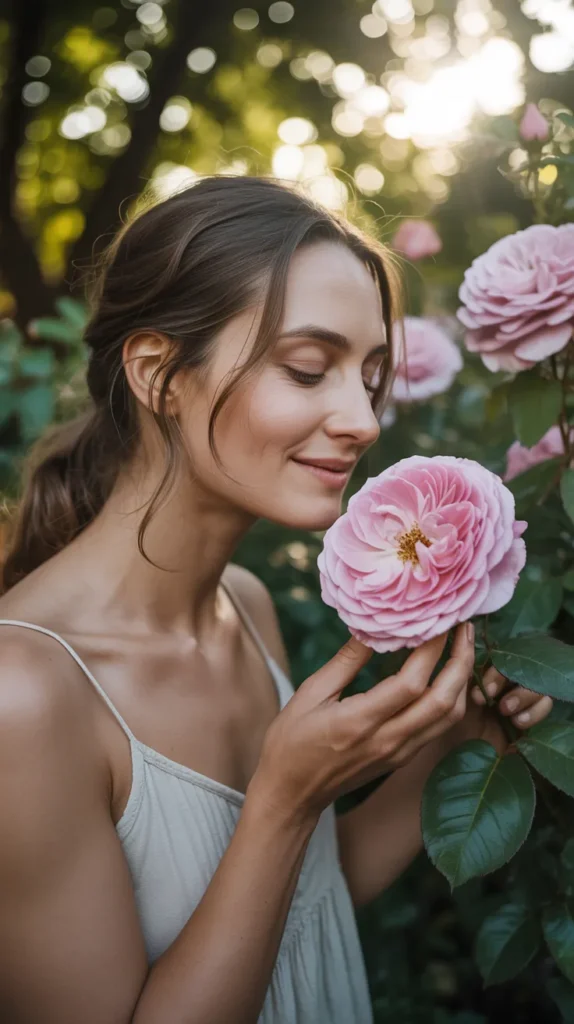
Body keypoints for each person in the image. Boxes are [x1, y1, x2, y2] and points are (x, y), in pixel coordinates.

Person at [0, 176, 552, 1024]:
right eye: (306, 369)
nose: (364, 420)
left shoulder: (247, 607)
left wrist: (462, 734)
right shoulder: (25, 697)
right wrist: (283, 800)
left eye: (370, 376)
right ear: (157, 374)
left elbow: (309, 900)